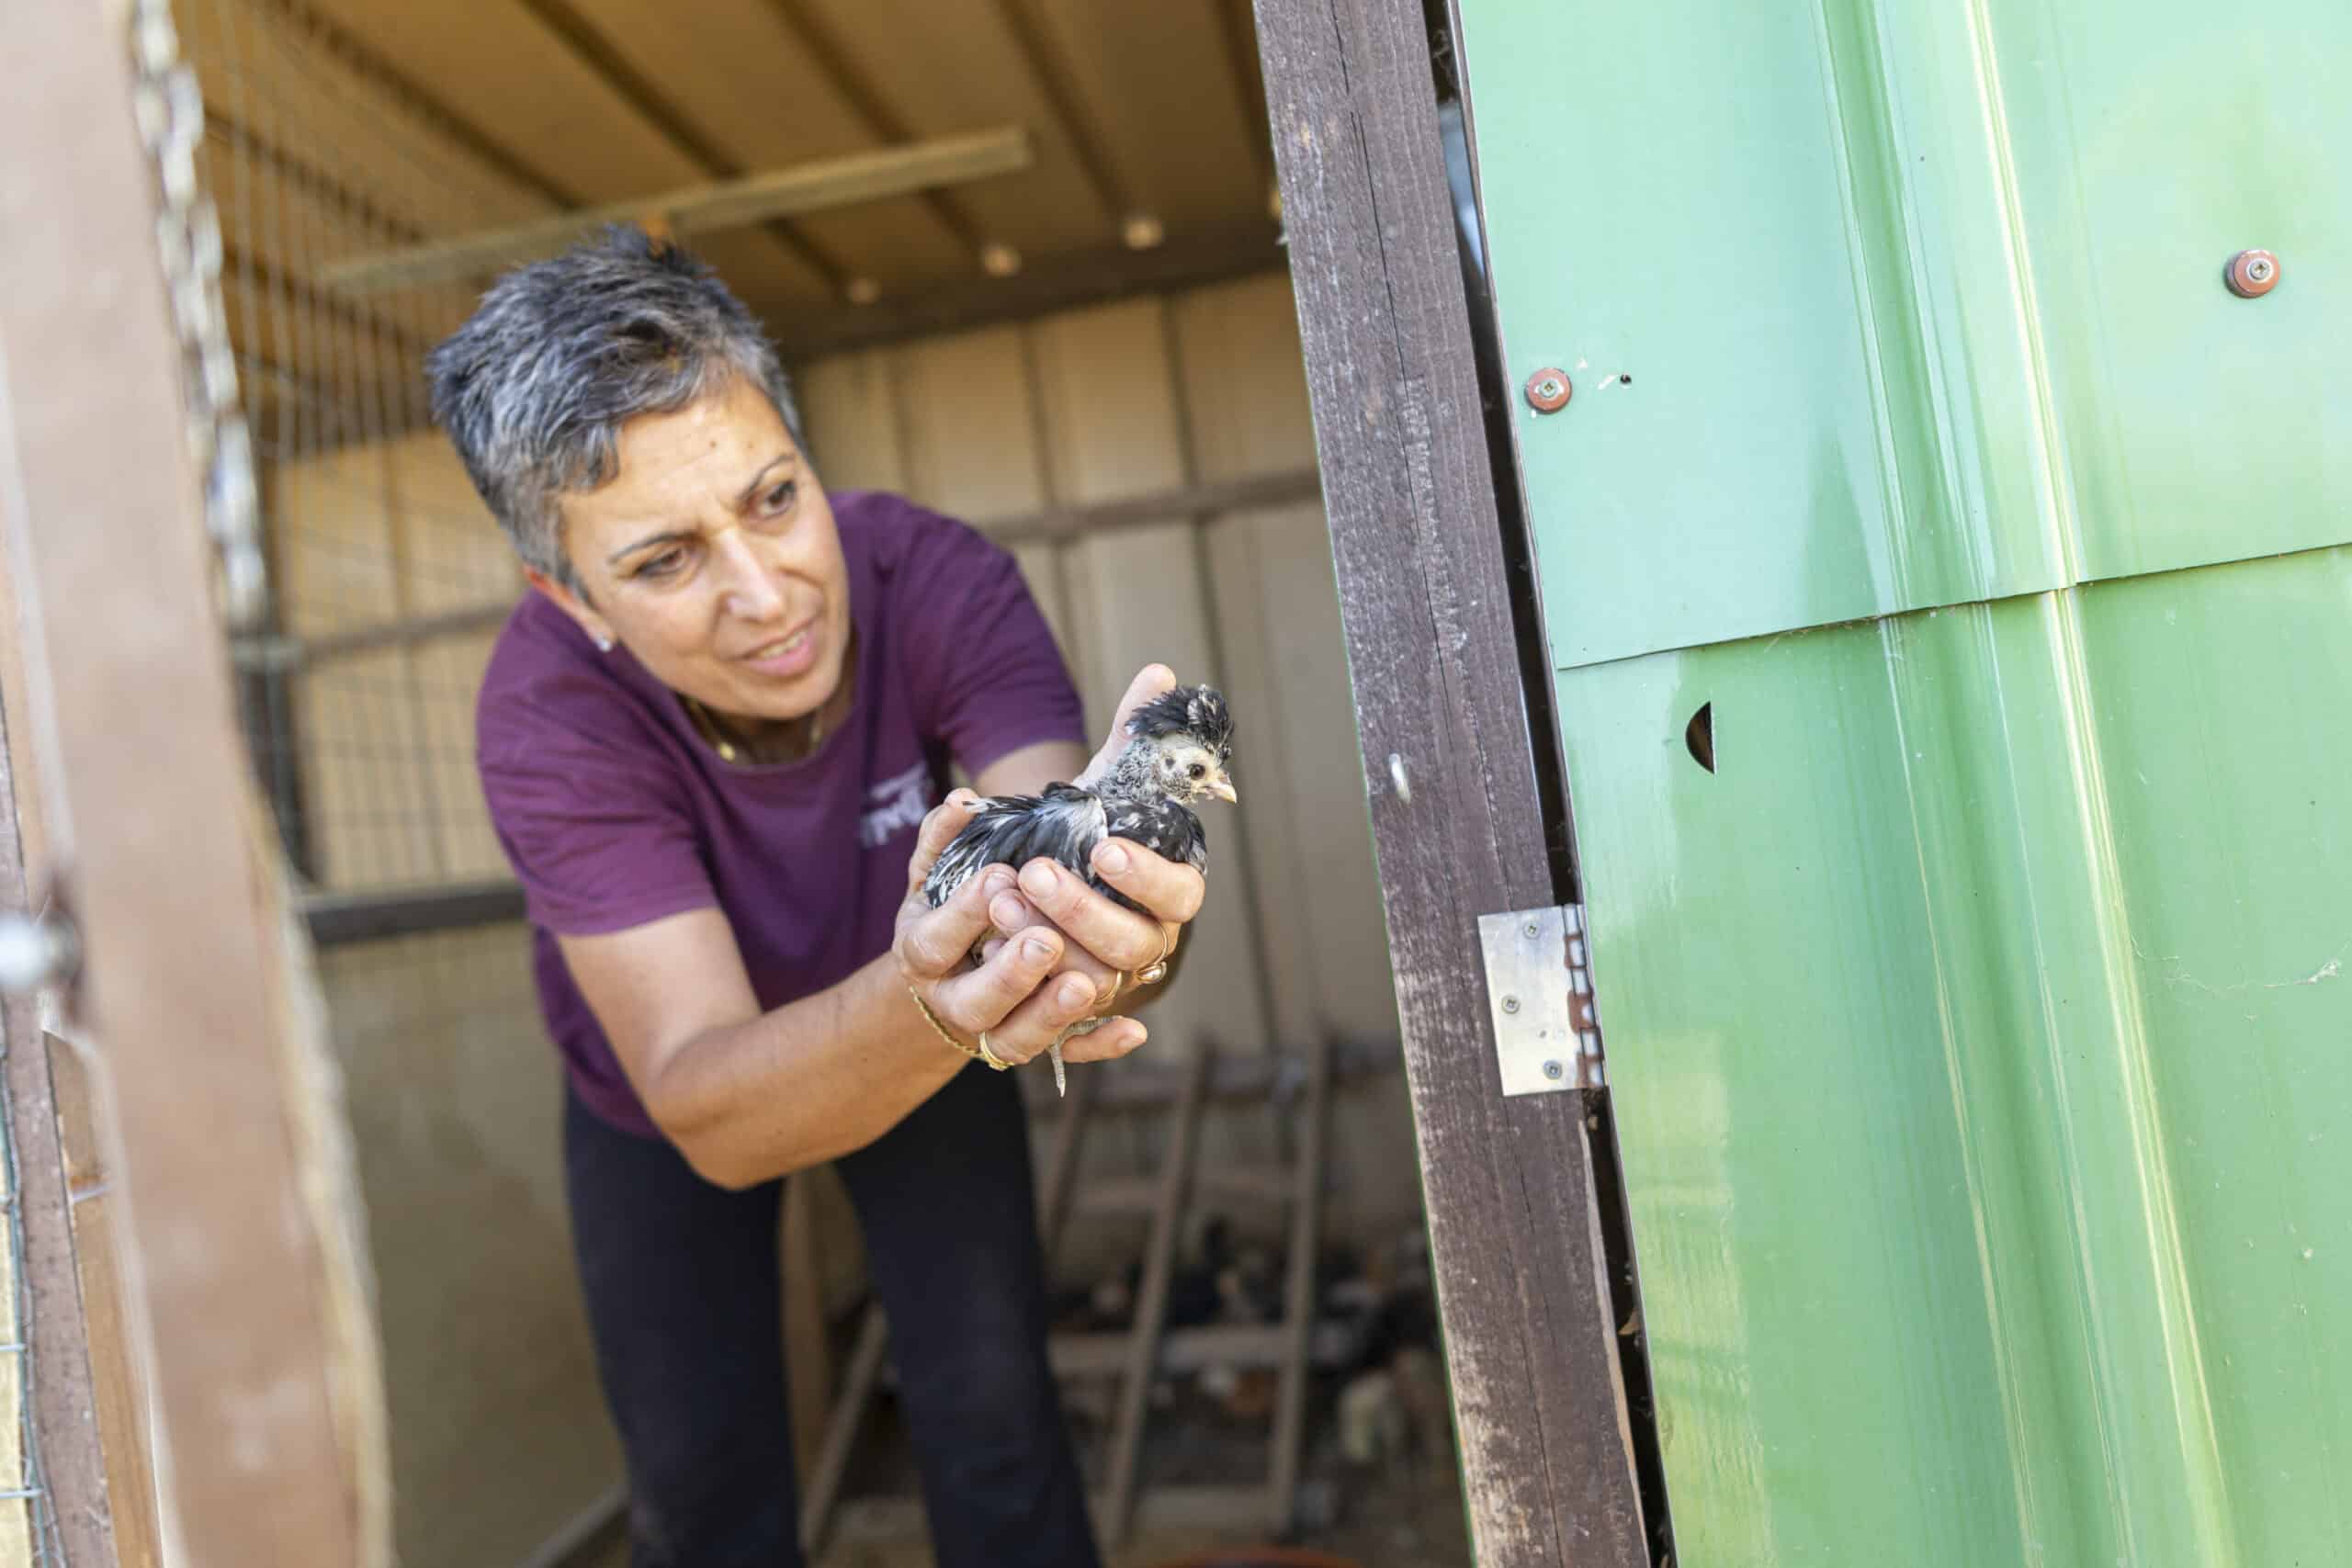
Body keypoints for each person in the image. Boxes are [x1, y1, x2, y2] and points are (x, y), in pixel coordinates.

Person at [428, 227, 1204, 1567]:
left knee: (993, 1410)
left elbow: (1072, 880)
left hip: (933, 1031)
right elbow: (709, 1099)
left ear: (801, 449)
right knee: (698, 1478)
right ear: (570, 598)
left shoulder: (935, 578)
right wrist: (950, 990)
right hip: (679, 1094)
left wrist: (1112, 920)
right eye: (664, 563)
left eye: (775, 499)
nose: (765, 593)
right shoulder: (547, 714)